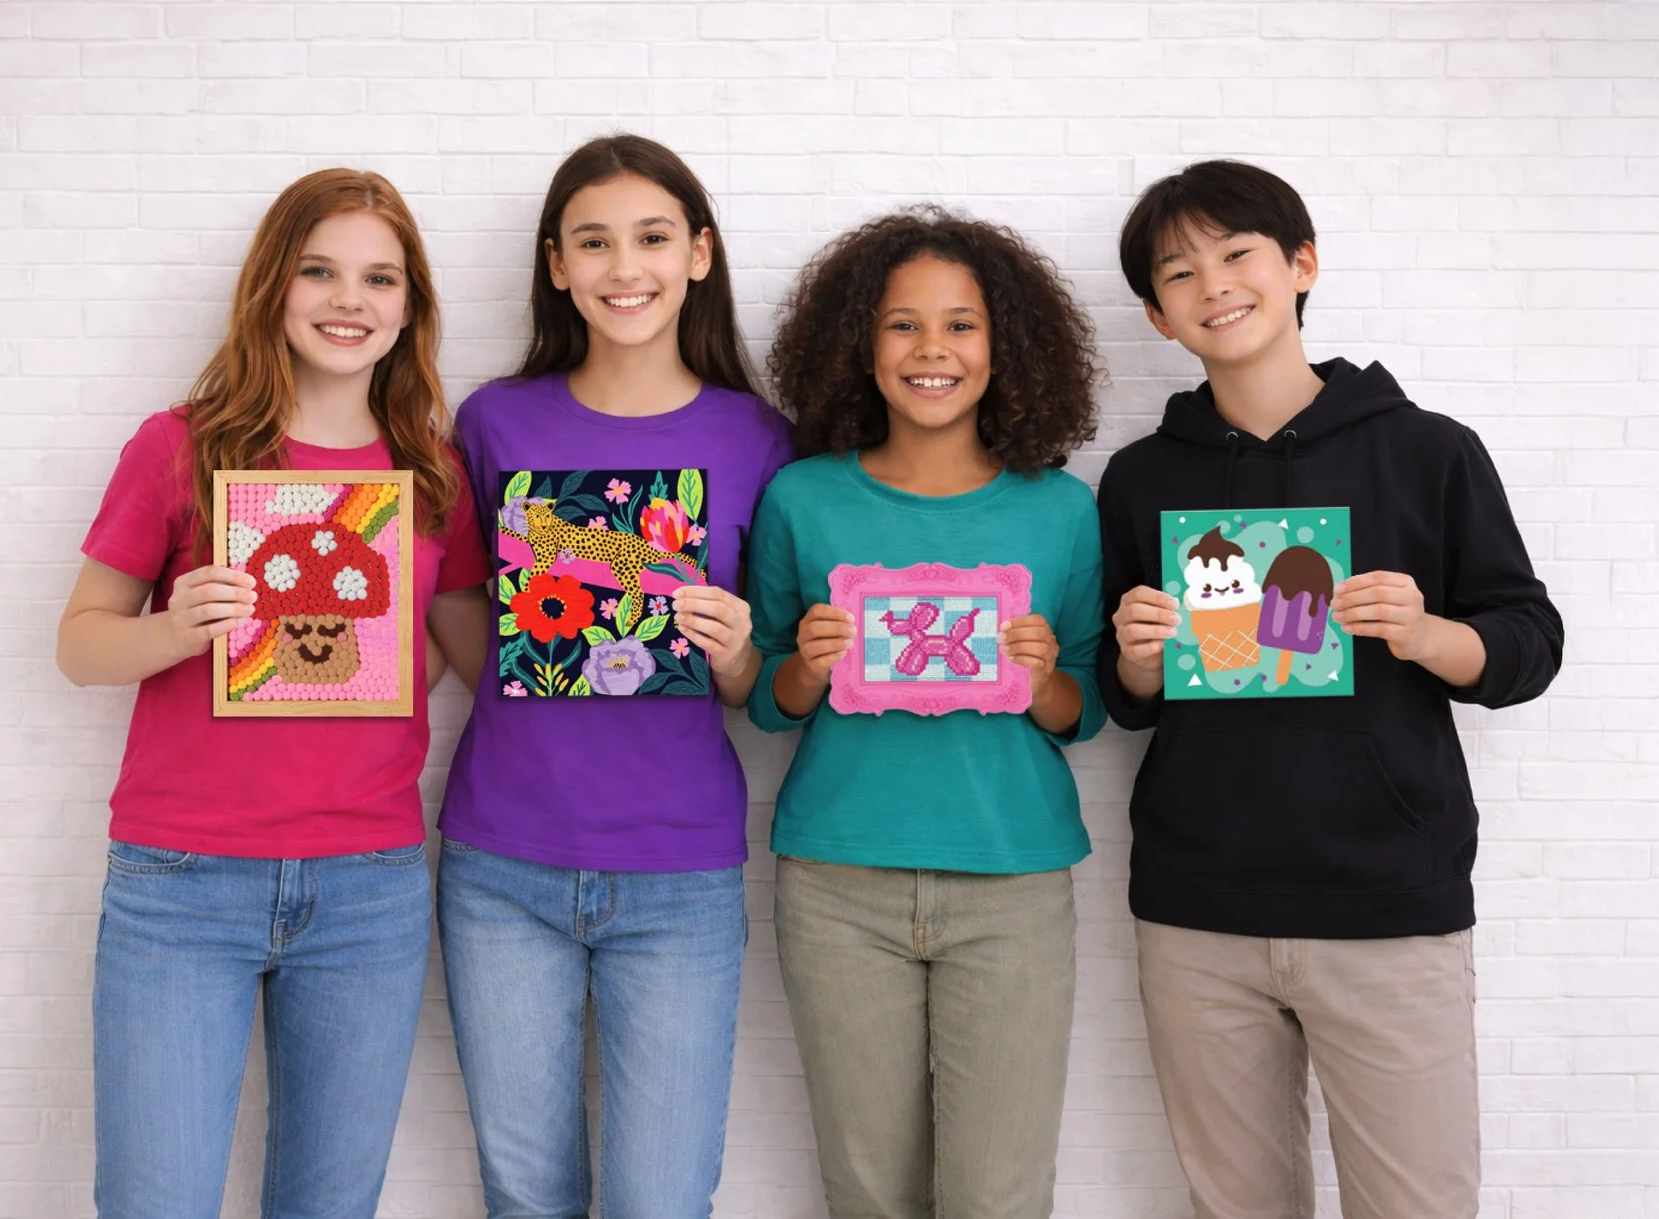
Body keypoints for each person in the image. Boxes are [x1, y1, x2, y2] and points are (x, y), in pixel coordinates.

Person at [1098, 159, 1567, 1218]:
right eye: (1179, 272)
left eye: (1237, 253)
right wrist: (1135, 657)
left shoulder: (1429, 452)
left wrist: (1426, 632)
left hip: (1390, 902)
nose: (1214, 284)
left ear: (1301, 264)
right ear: (1157, 315)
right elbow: (1124, 699)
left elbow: (1529, 645)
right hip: (1198, 910)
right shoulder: (1141, 478)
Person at [56, 167, 489, 1217]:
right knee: (155, 1200)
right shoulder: (183, 446)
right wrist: (176, 628)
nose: (350, 300)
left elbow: (459, 652)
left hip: (368, 887)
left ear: (410, 306)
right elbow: (80, 643)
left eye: (380, 278)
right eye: (319, 271)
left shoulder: (433, 473)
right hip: (181, 880)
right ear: (272, 287)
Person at [434, 134, 792, 1219]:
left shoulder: (758, 436)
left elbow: (759, 682)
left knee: (661, 1199)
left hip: (680, 870)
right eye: (593, 242)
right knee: (524, 1193)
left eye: (651, 238)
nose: (623, 267)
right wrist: (525, 674)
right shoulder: (492, 420)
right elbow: (455, 593)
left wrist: (734, 648)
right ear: (556, 264)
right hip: (502, 859)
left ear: (699, 255)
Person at [746, 207, 1107, 1218]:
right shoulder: (801, 499)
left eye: (960, 324)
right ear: (860, 347)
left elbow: (1086, 709)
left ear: (1006, 346)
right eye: (902, 324)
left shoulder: (1060, 507)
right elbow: (766, 701)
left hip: (1013, 880)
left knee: (1000, 1195)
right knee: (868, 1191)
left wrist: (1045, 678)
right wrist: (806, 667)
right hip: (837, 883)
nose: (931, 349)